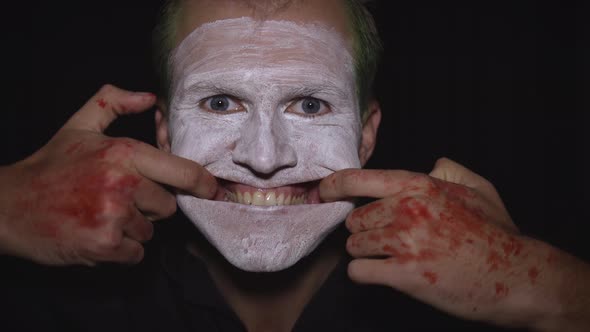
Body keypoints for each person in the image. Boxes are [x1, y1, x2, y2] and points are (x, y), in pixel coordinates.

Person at [2, 0, 589, 331]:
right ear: (163, 131)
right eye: (219, 102)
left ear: (365, 135)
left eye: (309, 105)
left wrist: (549, 288)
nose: (263, 159)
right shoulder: (52, 303)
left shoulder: (470, 305)